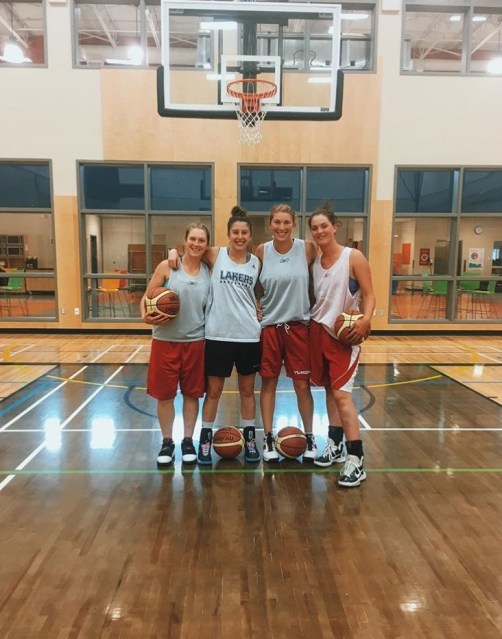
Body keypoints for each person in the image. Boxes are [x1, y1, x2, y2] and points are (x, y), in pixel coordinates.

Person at [171, 206, 262, 465]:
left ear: (250, 236)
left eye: (244, 233)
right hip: (217, 335)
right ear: (228, 234)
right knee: (214, 391)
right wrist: (172, 253)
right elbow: (190, 251)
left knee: (247, 391)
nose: (240, 237)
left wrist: (259, 308)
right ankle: (205, 441)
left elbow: (260, 293)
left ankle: (250, 440)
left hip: (248, 336)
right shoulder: (215, 254)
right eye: (235, 232)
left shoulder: (256, 262)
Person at [308, 204, 375, 487]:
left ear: (335, 227)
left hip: (343, 338)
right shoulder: (314, 263)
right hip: (317, 332)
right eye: (314, 228)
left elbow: (369, 294)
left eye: (324, 226)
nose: (319, 231)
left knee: (342, 396)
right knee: (329, 392)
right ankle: (334, 445)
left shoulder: (353, 257)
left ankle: (356, 459)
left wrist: (366, 320)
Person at [142, 223, 211, 467]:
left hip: (195, 342)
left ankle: (188, 441)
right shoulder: (168, 266)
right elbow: (147, 297)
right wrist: (145, 316)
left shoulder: (208, 271)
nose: (196, 243)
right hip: (165, 341)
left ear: (207, 244)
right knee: (165, 396)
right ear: (184, 241)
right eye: (193, 238)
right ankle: (167, 443)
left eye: (201, 240)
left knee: (192, 395)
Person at [255, 203, 318, 462]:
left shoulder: (307, 248)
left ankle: (310, 436)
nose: (281, 227)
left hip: (299, 328)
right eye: (277, 222)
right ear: (270, 224)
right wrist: (255, 305)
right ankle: (268, 438)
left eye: (286, 222)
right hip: (270, 328)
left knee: (302, 385)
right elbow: (252, 284)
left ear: (294, 224)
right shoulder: (261, 251)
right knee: (268, 383)